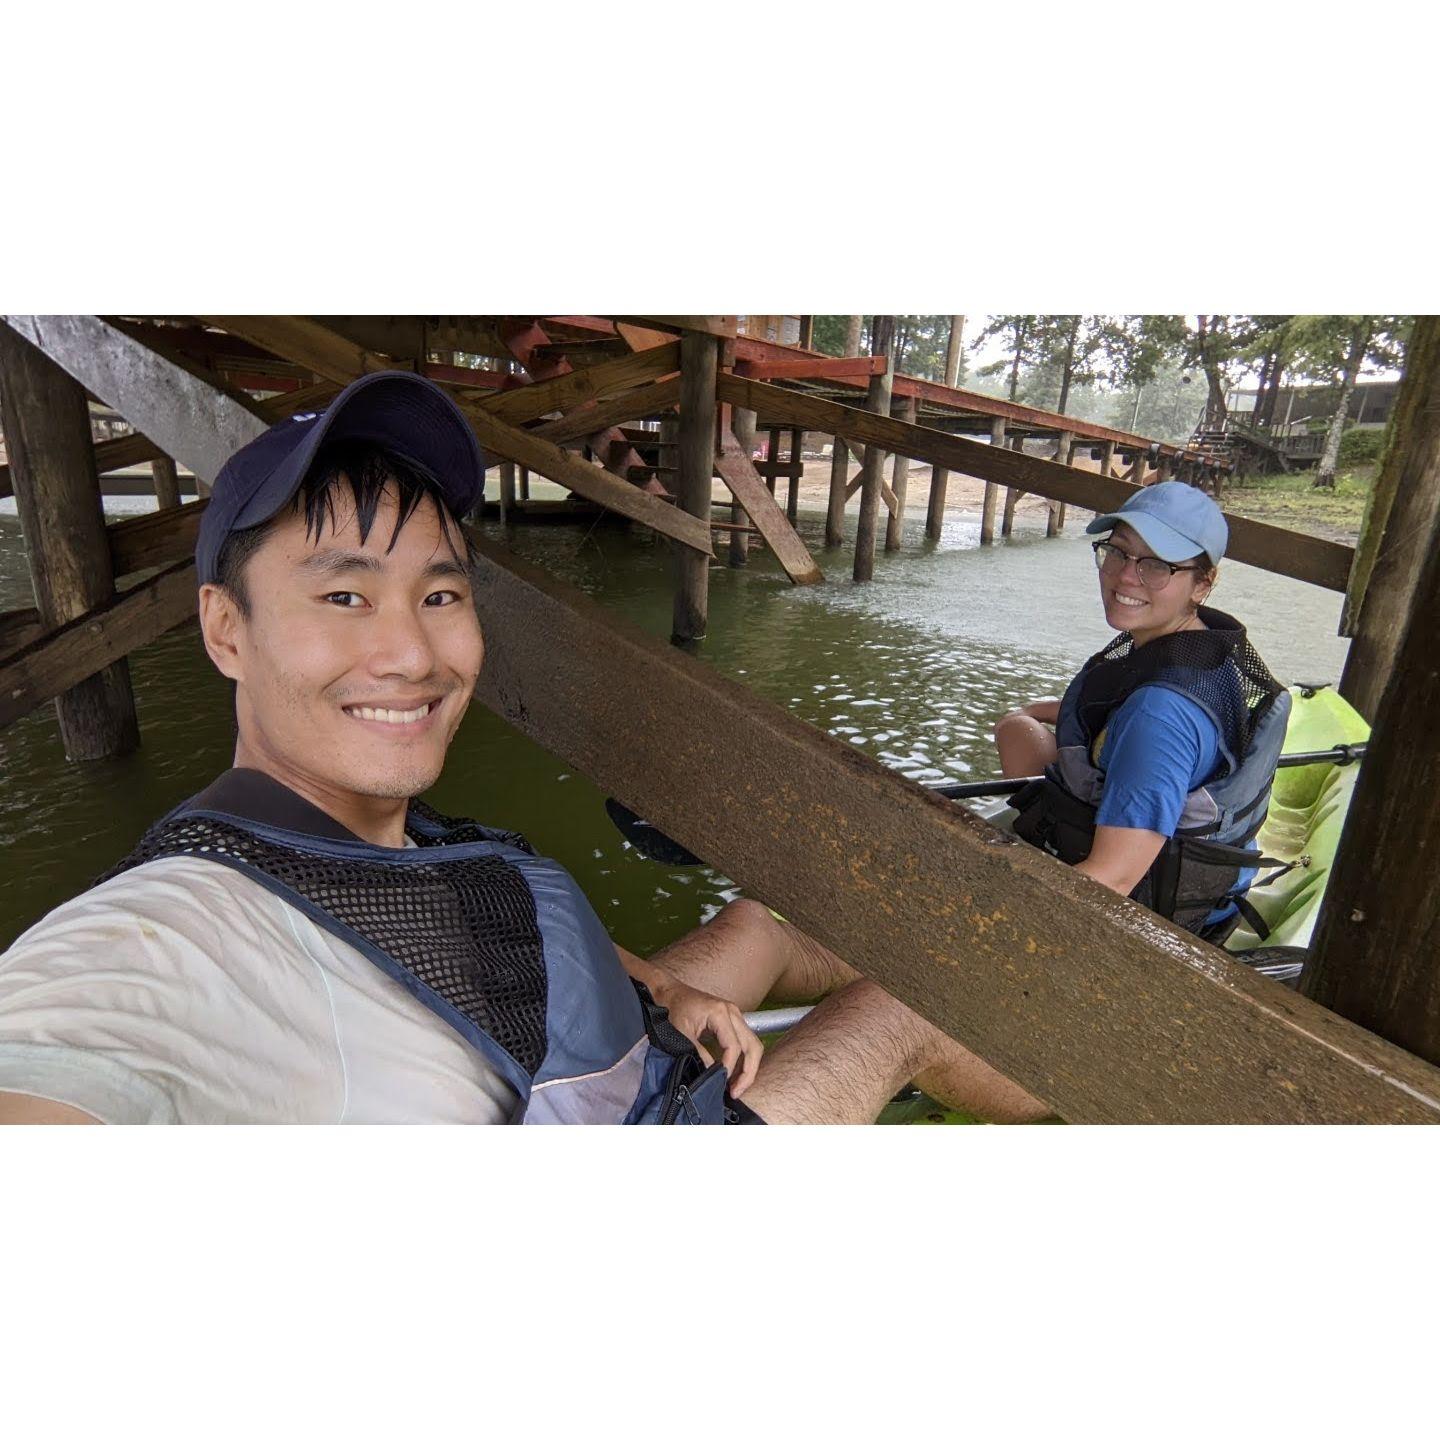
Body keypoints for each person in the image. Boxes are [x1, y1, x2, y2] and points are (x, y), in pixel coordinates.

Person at [0, 372, 1047, 1125]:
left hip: (594, 1049)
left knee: (757, 927)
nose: (410, 649)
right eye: (344, 594)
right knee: (904, 1003)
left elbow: (461, 919)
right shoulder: (167, 945)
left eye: (441, 593)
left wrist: (663, 984)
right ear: (227, 630)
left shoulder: (359, 831)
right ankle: (1105, 1099)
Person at [992, 482, 1289, 944]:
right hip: (1192, 880)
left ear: (1203, 583)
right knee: (1017, 726)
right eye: (1118, 553)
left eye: (1157, 565)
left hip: (1146, 914)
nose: (1126, 577)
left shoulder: (1160, 718)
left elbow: (1112, 878)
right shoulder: (1201, 649)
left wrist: (985, 925)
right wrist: (1047, 711)